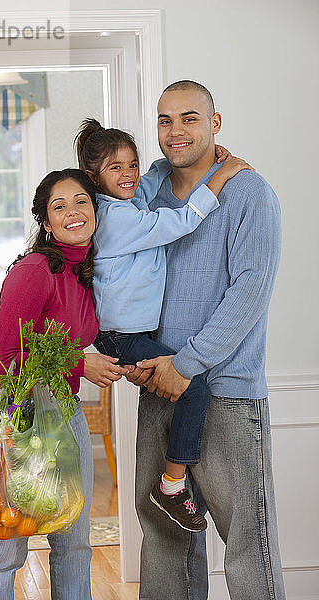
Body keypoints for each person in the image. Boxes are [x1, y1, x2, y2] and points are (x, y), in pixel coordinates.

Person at [125, 80, 285, 600]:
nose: (175, 131)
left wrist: (187, 364)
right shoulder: (145, 197)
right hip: (158, 388)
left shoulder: (249, 193)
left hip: (226, 391)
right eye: (165, 120)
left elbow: (250, 293)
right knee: (165, 538)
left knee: (246, 544)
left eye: (189, 118)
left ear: (215, 124)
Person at [75, 118, 253, 532]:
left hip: (134, 334)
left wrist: (176, 162)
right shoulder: (114, 219)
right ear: (92, 177)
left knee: (184, 388)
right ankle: (171, 486)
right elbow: (178, 223)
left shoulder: (129, 200)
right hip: (121, 336)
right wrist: (222, 174)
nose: (129, 174)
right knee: (195, 389)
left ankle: (173, 482)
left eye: (132, 164)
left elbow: (154, 177)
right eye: (116, 168)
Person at [0, 169, 128, 600]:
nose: (73, 212)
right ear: (45, 222)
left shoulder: (88, 273)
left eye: (81, 201)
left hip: (64, 413)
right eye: (59, 206)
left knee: (74, 542)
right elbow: (7, 353)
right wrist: (80, 364)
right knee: (7, 550)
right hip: (12, 417)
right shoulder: (34, 271)